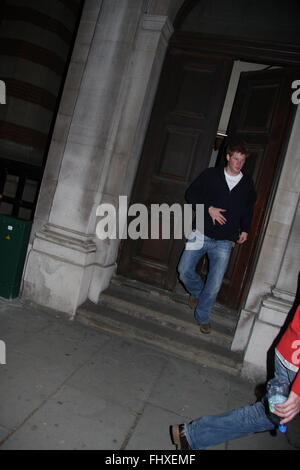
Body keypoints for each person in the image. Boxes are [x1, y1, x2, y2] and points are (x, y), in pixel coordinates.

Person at [170, 304, 300, 450]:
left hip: (291, 348)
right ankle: (192, 435)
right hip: (295, 359)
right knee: (267, 415)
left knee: (268, 413)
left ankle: (192, 435)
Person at [177, 139, 256, 334]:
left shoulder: (247, 184)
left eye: (242, 160)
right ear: (228, 157)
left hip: (224, 241)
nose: (238, 163)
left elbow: (248, 210)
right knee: (184, 270)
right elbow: (191, 194)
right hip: (201, 233)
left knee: (214, 284)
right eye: (236, 159)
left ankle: (202, 317)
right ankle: (196, 292)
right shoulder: (211, 175)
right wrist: (209, 208)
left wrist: (245, 229)